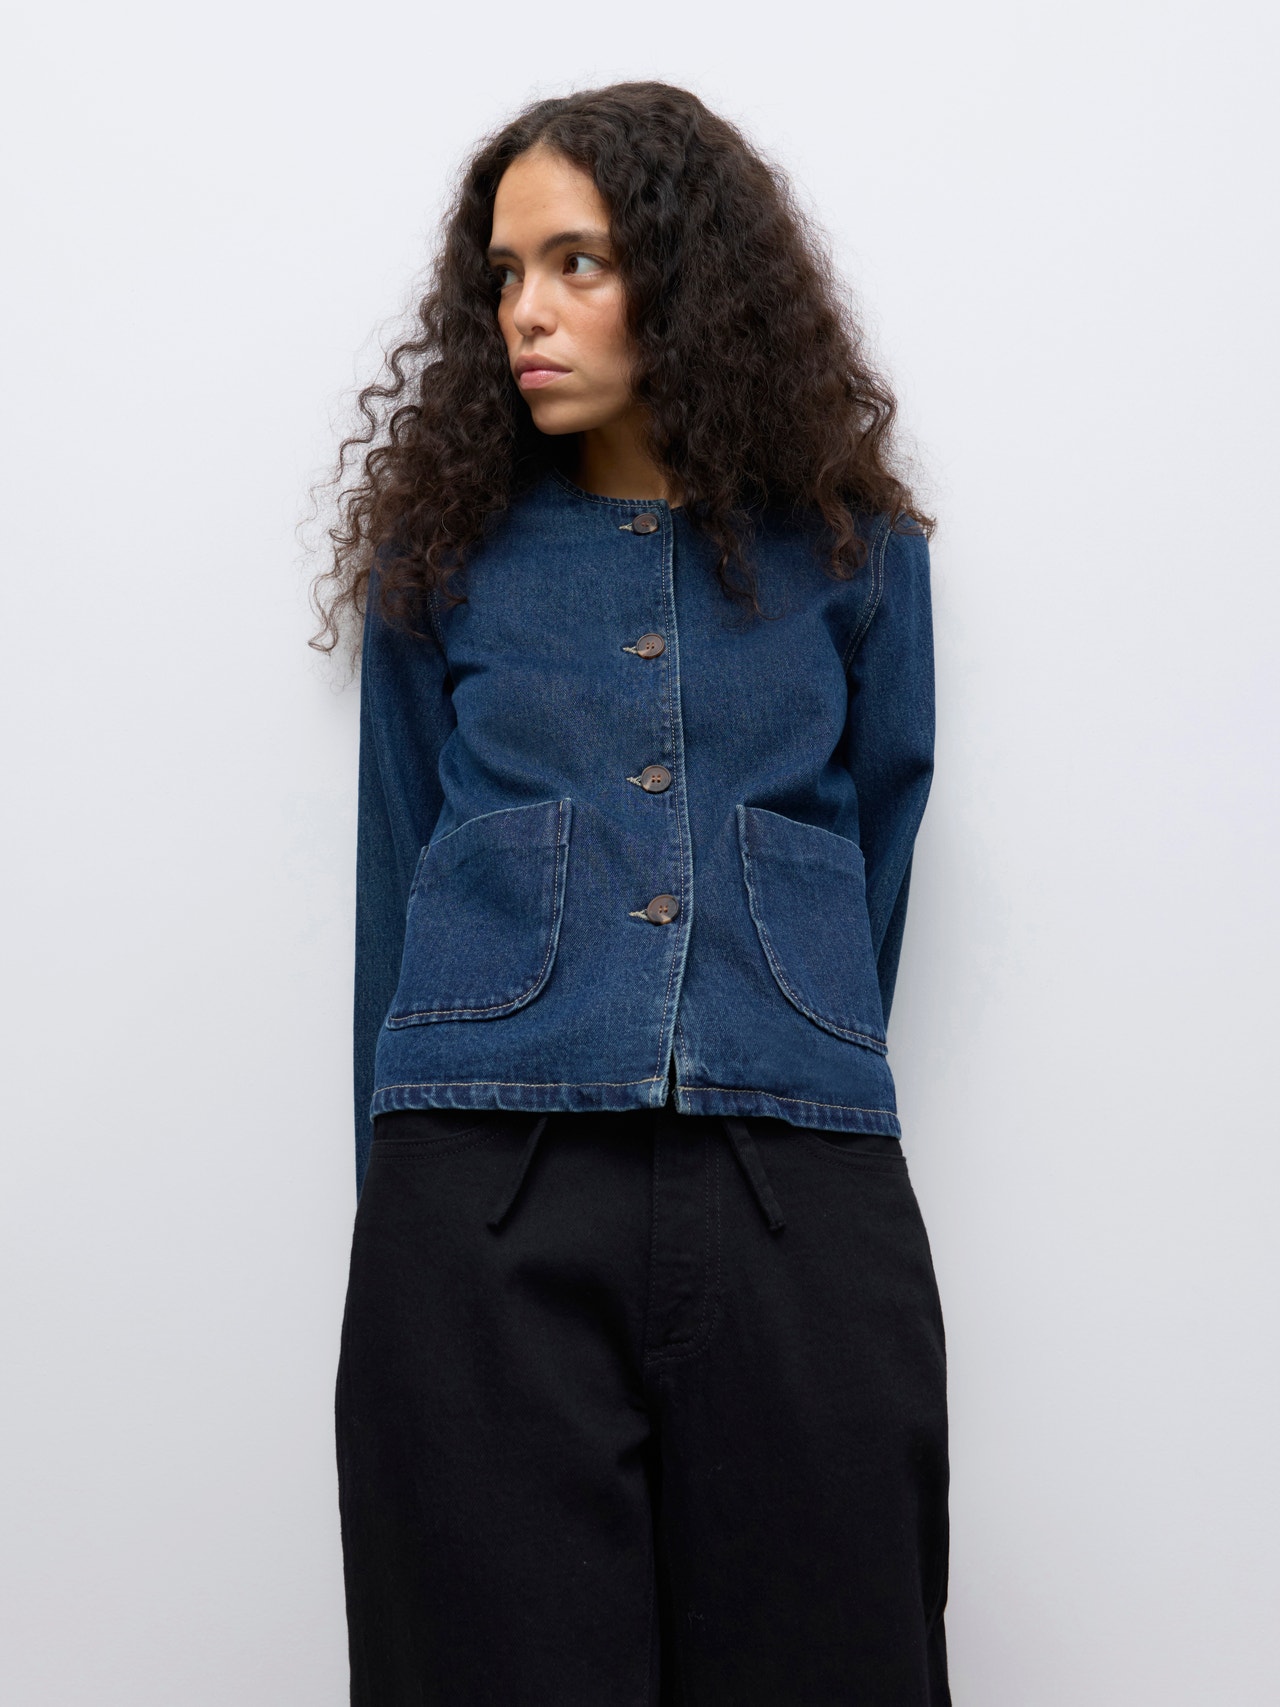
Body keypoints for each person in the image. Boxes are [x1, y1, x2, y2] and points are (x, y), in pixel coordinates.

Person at [314, 80, 949, 1707]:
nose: (526, 311)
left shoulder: (856, 554)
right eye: (505, 274)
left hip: (794, 1183)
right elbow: (402, 866)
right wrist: (402, 1195)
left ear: (689, 275)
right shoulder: (440, 557)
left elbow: (874, 847)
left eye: (577, 263)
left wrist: (776, 1026)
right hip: (483, 1186)